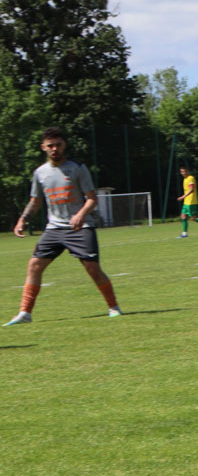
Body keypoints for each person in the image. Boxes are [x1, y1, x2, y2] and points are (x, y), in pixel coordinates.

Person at [6, 127, 121, 326]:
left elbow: (92, 198)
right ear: (43, 147)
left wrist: (80, 215)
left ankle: (114, 307)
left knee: (93, 269)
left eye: (58, 145)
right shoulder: (40, 173)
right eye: (50, 145)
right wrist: (23, 220)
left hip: (81, 227)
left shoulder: (77, 168)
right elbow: (35, 201)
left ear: (64, 145)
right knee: (34, 265)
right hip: (54, 229)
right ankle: (25, 313)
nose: (54, 149)